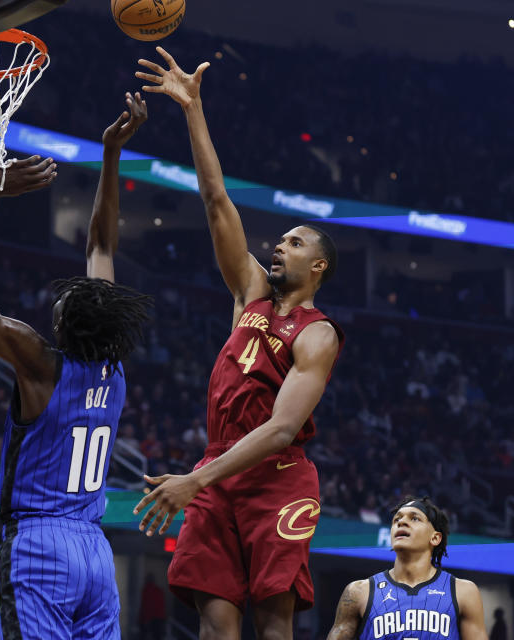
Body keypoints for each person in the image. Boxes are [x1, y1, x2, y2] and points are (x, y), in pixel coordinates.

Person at [132, 47, 344, 639]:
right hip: (217, 467)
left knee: (273, 624)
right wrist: (192, 109)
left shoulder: (319, 333)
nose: (279, 246)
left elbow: (280, 429)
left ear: (320, 264)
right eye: (279, 240)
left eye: (294, 243)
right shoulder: (249, 293)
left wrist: (196, 480)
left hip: (277, 474)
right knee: (215, 620)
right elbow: (215, 199)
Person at [0, 93, 151, 640]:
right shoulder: (112, 367)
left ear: (64, 324)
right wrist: (111, 155)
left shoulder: (39, 361)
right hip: (96, 552)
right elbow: (100, 244)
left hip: (42, 546)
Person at [325, 497, 488, 640]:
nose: (401, 522)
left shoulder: (463, 592)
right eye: (396, 520)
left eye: (415, 518)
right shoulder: (359, 592)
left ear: (435, 537)